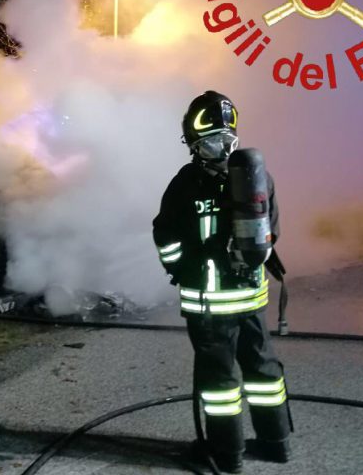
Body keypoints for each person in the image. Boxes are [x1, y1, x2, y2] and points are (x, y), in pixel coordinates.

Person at [152, 91, 291, 473]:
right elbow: (272, 232)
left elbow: (165, 235)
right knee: (263, 369)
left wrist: (179, 269)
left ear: (195, 143)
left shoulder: (186, 183)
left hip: (210, 304)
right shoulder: (257, 178)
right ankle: (277, 443)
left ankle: (227, 455)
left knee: (219, 380)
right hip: (251, 298)